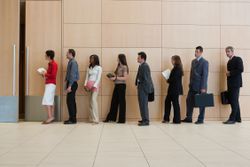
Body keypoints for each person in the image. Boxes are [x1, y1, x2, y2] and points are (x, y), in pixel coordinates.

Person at [182, 46, 209, 124]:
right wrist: (190, 83)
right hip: (192, 85)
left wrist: (203, 87)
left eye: (197, 51)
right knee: (189, 100)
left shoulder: (205, 62)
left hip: (201, 86)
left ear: (201, 52)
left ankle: (200, 119)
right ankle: (189, 117)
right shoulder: (193, 61)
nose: (195, 53)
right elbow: (191, 73)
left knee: (202, 103)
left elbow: (205, 75)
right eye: (195, 51)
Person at [104, 54, 129, 123]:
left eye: (118, 58)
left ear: (120, 58)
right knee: (114, 102)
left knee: (122, 103)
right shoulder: (118, 66)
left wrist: (116, 78)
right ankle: (111, 118)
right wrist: (112, 78)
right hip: (117, 85)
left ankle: (121, 120)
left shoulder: (124, 67)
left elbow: (125, 78)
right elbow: (117, 77)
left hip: (122, 86)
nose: (117, 59)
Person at [223, 46, 244, 124]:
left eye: (228, 51)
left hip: (236, 84)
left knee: (234, 101)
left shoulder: (238, 59)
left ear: (232, 51)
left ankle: (232, 119)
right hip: (230, 84)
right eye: (226, 52)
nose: (227, 53)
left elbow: (241, 69)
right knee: (234, 101)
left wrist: (230, 73)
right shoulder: (228, 62)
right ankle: (238, 118)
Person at [162, 55, 184, 124]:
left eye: (172, 60)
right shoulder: (176, 68)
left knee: (175, 104)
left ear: (175, 60)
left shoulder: (177, 69)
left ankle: (176, 120)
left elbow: (173, 80)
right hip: (173, 89)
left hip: (174, 90)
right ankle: (168, 119)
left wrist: (167, 79)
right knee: (170, 103)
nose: (171, 61)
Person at [135, 52, 154, 126]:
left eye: (138, 57)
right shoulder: (141, 65)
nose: (137, 59)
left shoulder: (145, 66)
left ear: (142, 58)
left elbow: (146, 79)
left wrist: (139, 81)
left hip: (144, 89)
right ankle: (143, 119)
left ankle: (146, 121)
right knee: (141, 104)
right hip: (141, 88)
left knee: (143, 105)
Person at [84, 54, 102, 124]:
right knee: (90, 102)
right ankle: (91, 118)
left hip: (95, 86)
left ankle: (96, 119)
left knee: (93, 101)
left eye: (92, 59)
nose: (91, 60)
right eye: (90, 58)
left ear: (95, 60)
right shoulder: (89, 68)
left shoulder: (99, 68)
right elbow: (86, 78)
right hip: (88, 85)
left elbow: (98, 78)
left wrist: (94, 86)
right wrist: (85, 85)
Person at [41, 50, 58, 124]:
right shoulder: (50, 64)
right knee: (49, 100)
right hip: (49, 84)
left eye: (46, 55)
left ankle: (50, 117)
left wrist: (45, 74)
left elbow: (53, 75)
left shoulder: (54, 64)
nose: (45, 56)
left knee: (47, 100)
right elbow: (49, 74)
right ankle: (51, 116)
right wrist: (44, 75)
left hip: (51, 84)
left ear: (49, 56)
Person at [64, 49, 79, 124]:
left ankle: (73, 119)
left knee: (70, 101)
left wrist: (69, 86)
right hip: (71, 83)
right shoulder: (70, 62)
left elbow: (72, 75)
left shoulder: (73, 62)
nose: (66, 54)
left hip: (72, 84)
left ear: (70, 54)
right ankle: (72, 118)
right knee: (71, 101)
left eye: (67, 53)